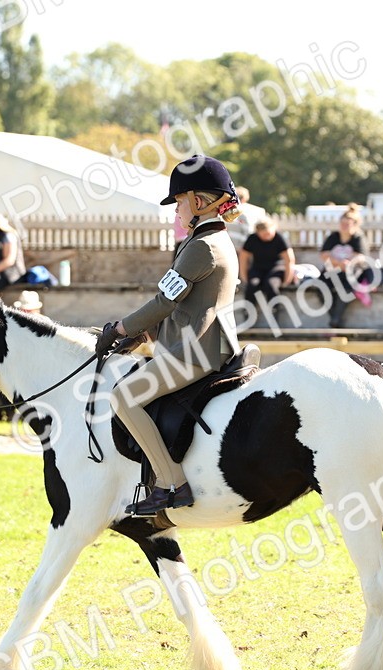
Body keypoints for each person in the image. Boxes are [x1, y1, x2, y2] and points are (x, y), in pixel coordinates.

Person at [97, 155, 242, 517]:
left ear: (197, 201)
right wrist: (142, 333)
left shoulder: (201, 247)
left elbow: (165, 301)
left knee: (124, 397)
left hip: (194, 351)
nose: (176, 210)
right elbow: (183, 304)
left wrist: (120, 328)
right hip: (199, 342)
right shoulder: (213, 240)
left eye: (178, 202)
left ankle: (171, 482)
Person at [319, 203, 377, 328]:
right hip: (332, 271)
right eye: (342, 224)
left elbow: (361, 257)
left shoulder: (358, 238)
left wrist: (346, 263)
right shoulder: (333, 237)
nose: (344, 227)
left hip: (350, 273)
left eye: (347, 224)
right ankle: (335, 319)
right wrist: (339, 263)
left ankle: (335, 321)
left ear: (355, 225)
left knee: (345, 290)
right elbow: (324, 255)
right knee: (321, 287)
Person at [238, 216, 295, 306]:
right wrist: (244, 276)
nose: (267, 237)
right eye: (264, 235)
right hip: (258, 268)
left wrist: (287, 279)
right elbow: (243, 257)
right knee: (252, 285)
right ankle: (248, 313)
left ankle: (274, 310)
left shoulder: (279, 238)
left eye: (268, 234)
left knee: (271, 284)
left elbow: (289, 259)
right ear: (258, 233)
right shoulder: (252, 239)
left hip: (276, 268)